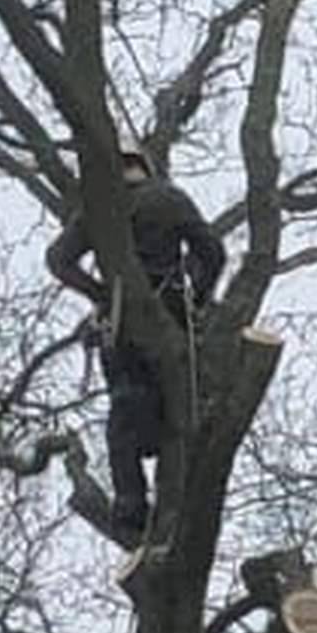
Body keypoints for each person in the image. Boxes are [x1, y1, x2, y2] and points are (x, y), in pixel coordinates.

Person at [45, 149, 226, 534]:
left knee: (125, 407)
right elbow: (213, 252)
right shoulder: (168, 197)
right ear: (144, 167)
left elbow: (58, 259)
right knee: (180, 411)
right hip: (171, 319)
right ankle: (176, 500)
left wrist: (100, 293)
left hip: (121, 322)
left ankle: (131, 502)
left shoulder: (100, 209)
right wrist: (199, 296)